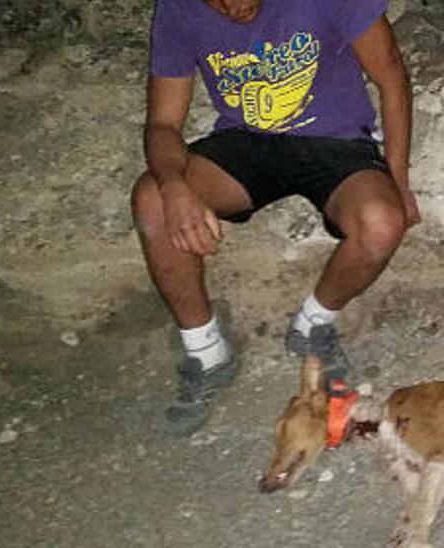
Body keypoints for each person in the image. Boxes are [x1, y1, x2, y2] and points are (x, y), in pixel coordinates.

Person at [131, 0, 417, 436]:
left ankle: (313, 325)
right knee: (152, 198)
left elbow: (391, 77)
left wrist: (398, 180)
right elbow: (163, 126)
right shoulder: (180, 8)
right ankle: (205, 352)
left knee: (382, 221)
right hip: (248, 141)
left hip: (337, 142)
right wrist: (174, 186)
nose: (232, 7)